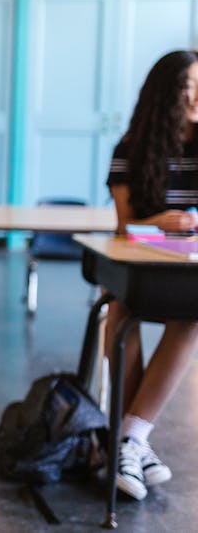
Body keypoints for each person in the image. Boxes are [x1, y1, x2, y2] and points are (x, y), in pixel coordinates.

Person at [104, 49, 198, 500]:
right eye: (187, 87)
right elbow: (125, 228)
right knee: (120, 310)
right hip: (141, 265)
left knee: (193, 317)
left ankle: (129, 438)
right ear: (166, 96)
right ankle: (133, 441)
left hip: (189, 270)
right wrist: (159, 221)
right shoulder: (130, 149)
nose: (196, 96)